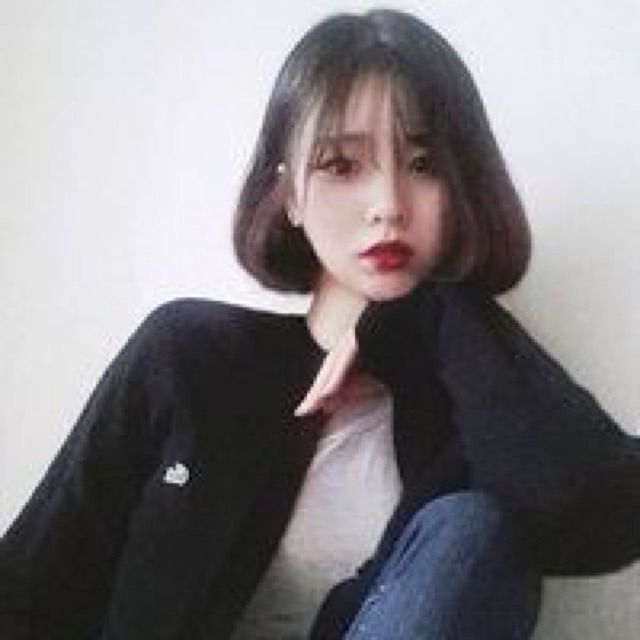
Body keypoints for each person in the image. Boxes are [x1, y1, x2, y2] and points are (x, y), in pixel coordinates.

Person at [1, 8, 639, 640]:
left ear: (462, 186)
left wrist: (435, 313)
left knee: (473, 527)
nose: (388, 206)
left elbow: (601, 514)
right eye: (340, 165)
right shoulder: (191, 359)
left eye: (424, 164)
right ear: (290, 195)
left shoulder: (478, 408)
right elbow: (28, 591)